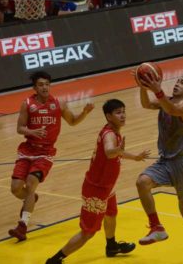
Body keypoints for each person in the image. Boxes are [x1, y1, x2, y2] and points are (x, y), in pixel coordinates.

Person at [45, 99, 150, 264]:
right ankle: (55, 260)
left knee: (111, 214)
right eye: (118, 112)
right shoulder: (109, 134)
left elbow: (115, 152)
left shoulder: (113, 131)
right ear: (108, 116)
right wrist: (118, 150)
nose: (122, 115)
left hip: (107, 187)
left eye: (123, 111)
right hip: (97, 189)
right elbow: (110, 151)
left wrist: (134, 157)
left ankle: (111, 246)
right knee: (88, 232)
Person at [135, 71, 183, 264]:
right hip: (165, 162)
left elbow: (170, 109)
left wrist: (157, 90)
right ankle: (156, 227)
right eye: (178, 81)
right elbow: (146, 104)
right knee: (142, 182)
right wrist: (143, 87)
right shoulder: (166, 100)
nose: (177, 84)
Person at [8, 71, 94, 241]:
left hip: (45, 152)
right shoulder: (27, 104)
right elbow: (19, 128)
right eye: (41, 85)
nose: (45, 87)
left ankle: (22, 226)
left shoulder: (58, 103)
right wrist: (32, 131)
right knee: (16, 188)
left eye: (47, 84)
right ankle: (30, 199)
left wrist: (84, 112)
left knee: (31, 184)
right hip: (27, 150)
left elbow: (73, 121)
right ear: (34, 88)